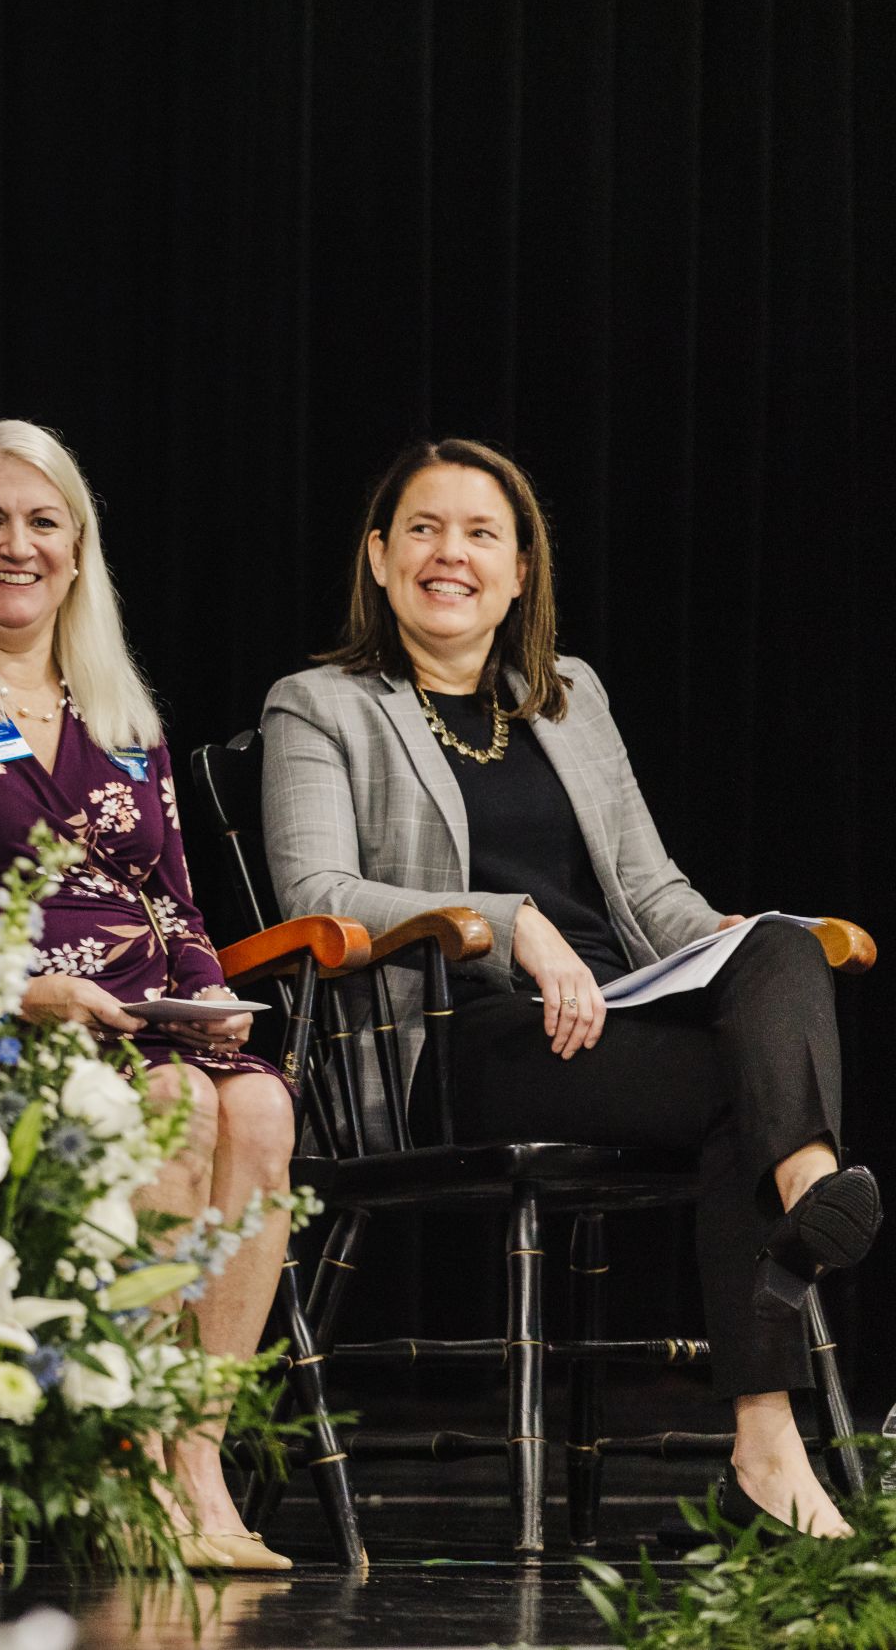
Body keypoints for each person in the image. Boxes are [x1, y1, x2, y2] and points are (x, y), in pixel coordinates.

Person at [261, 436, 881, 1539]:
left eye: (480, 533)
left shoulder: (569, 698)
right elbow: (318, 887)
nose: (451, 553)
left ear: (518, 569)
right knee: (754, 1081)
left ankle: (800, 1217)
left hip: (618, 1015)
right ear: (379, 554)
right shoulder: (320, 705)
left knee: (780, 946)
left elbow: (649, 887)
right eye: (424, 529)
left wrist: (737, 944)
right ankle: (777, 1403)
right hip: (463, 1040)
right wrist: (513, 922)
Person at [0, 418, 294, 1571]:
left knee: (261, 1103)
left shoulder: (120, 711)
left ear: (78, 550)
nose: (15, 544)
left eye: (43, 521)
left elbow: (176, 900)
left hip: (147, 1011)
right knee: (175, 1103)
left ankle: (198, 1453)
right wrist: (1, 986)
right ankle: (123, 1459)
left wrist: (211, 992)